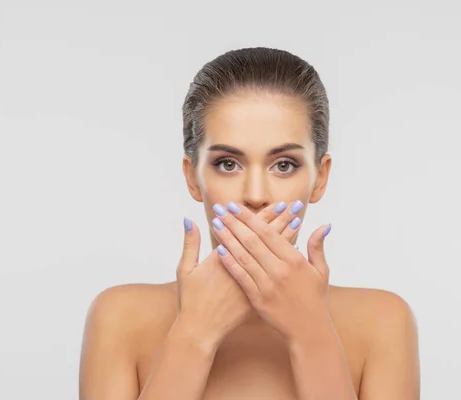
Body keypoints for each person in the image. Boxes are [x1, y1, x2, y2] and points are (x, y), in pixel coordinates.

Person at [79, 47, 420, 400]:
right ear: (192, 178)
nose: (256, 195)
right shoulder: (119, 318)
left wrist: (311, 333)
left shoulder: (384, 323)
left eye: (284, 164)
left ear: (320, 179)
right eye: (228, 164)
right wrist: (194, 333)